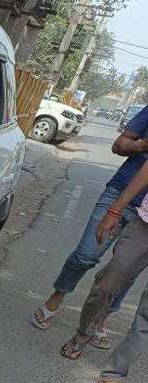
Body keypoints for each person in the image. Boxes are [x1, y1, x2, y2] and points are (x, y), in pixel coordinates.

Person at [32, 103, 148, 347]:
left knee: (125, 270)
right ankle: (58, 294)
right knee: (86, 255)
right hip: (120, 195)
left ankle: (101, 318)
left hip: (145, 218)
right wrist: (143, 145)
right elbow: (119, 145)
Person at [60, 160, 148, 383]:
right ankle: (83, 333)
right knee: (108, 285)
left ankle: (114, 374)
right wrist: (115, 209)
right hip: (144, 226)